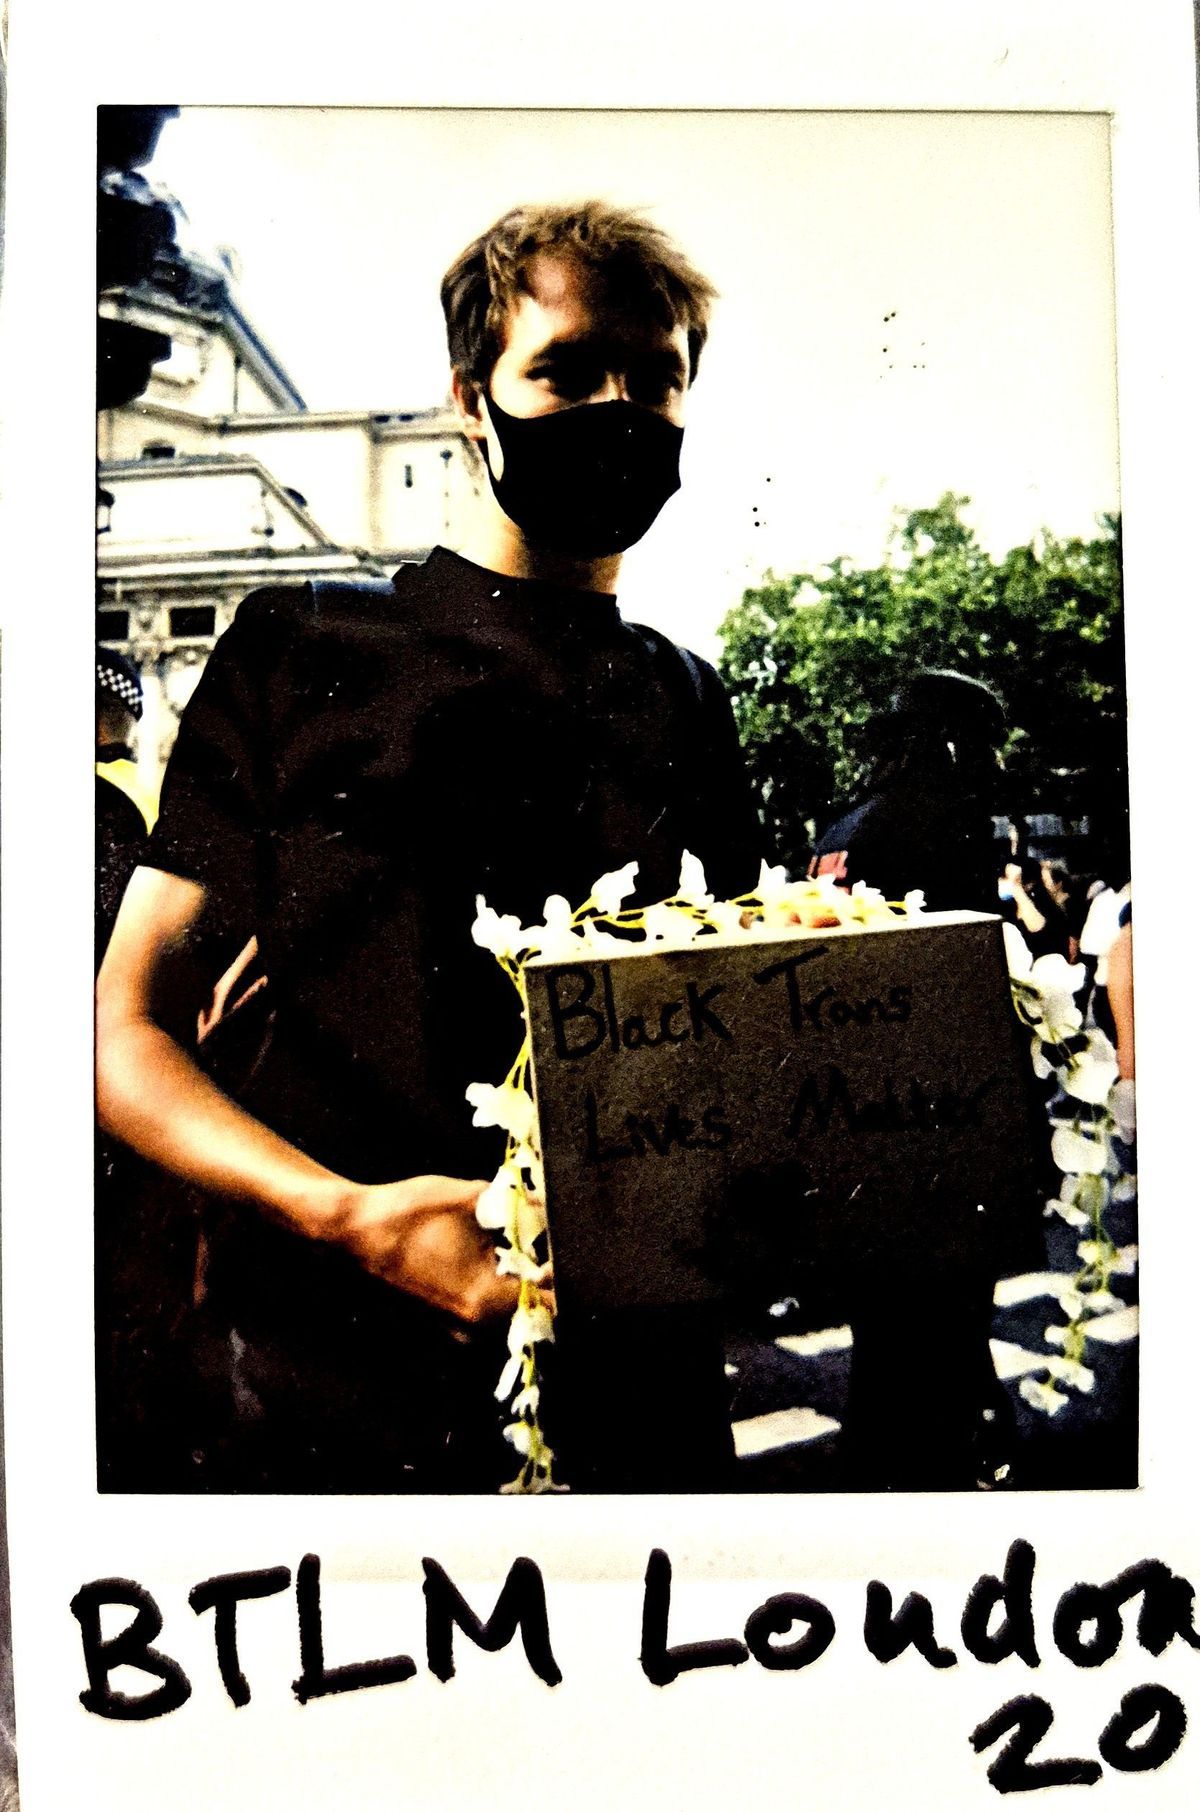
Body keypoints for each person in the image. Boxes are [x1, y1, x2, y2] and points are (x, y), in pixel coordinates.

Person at [95, 201, 764, 1493]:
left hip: (637, 1389)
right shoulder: (308, 647)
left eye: (658, 379)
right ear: (472, 398)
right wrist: (346, 1217)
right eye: (568, 370)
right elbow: (127, 1029)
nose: (620, 410)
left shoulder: (691, 697)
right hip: (329, 1380)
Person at [808, 669, 1007, 912]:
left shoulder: (844, 824)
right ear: (949, 743)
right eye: (984, 746)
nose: (997, 764)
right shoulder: (949, 825)